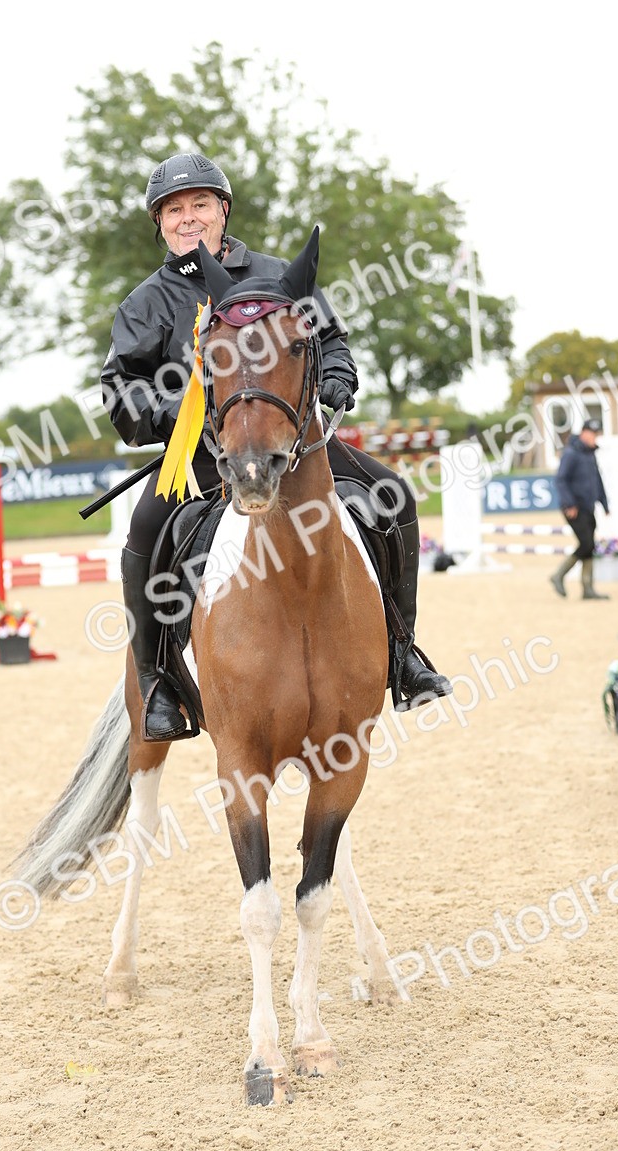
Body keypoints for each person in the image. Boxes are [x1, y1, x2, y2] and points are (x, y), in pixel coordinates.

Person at [101, 151, 452, 740]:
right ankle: (157, 680)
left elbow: (331, 339)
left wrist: (337, 376)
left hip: (296, 443)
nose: (188, 218)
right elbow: (119, 391)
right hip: (202, 458)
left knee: (391, 494)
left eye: (200, 205)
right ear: (160, 223)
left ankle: (402, 654)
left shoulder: (278, 275)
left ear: (222, 210)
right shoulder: (144, 304)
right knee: (145, 533)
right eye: (174, 210)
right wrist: (181, 413)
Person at [550, 418, 610, 600]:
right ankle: (558, 575)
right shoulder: (571, 454)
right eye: (592, 433)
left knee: (589, 546)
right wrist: (570, 504)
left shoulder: (590, 454)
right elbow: (561, 480)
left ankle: (588, 588)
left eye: (596, 434)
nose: (595, 437)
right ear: (584, 433)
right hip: (574, 508)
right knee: (586, 544)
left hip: (588, 506)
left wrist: (604, 503)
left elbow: (597, 480)